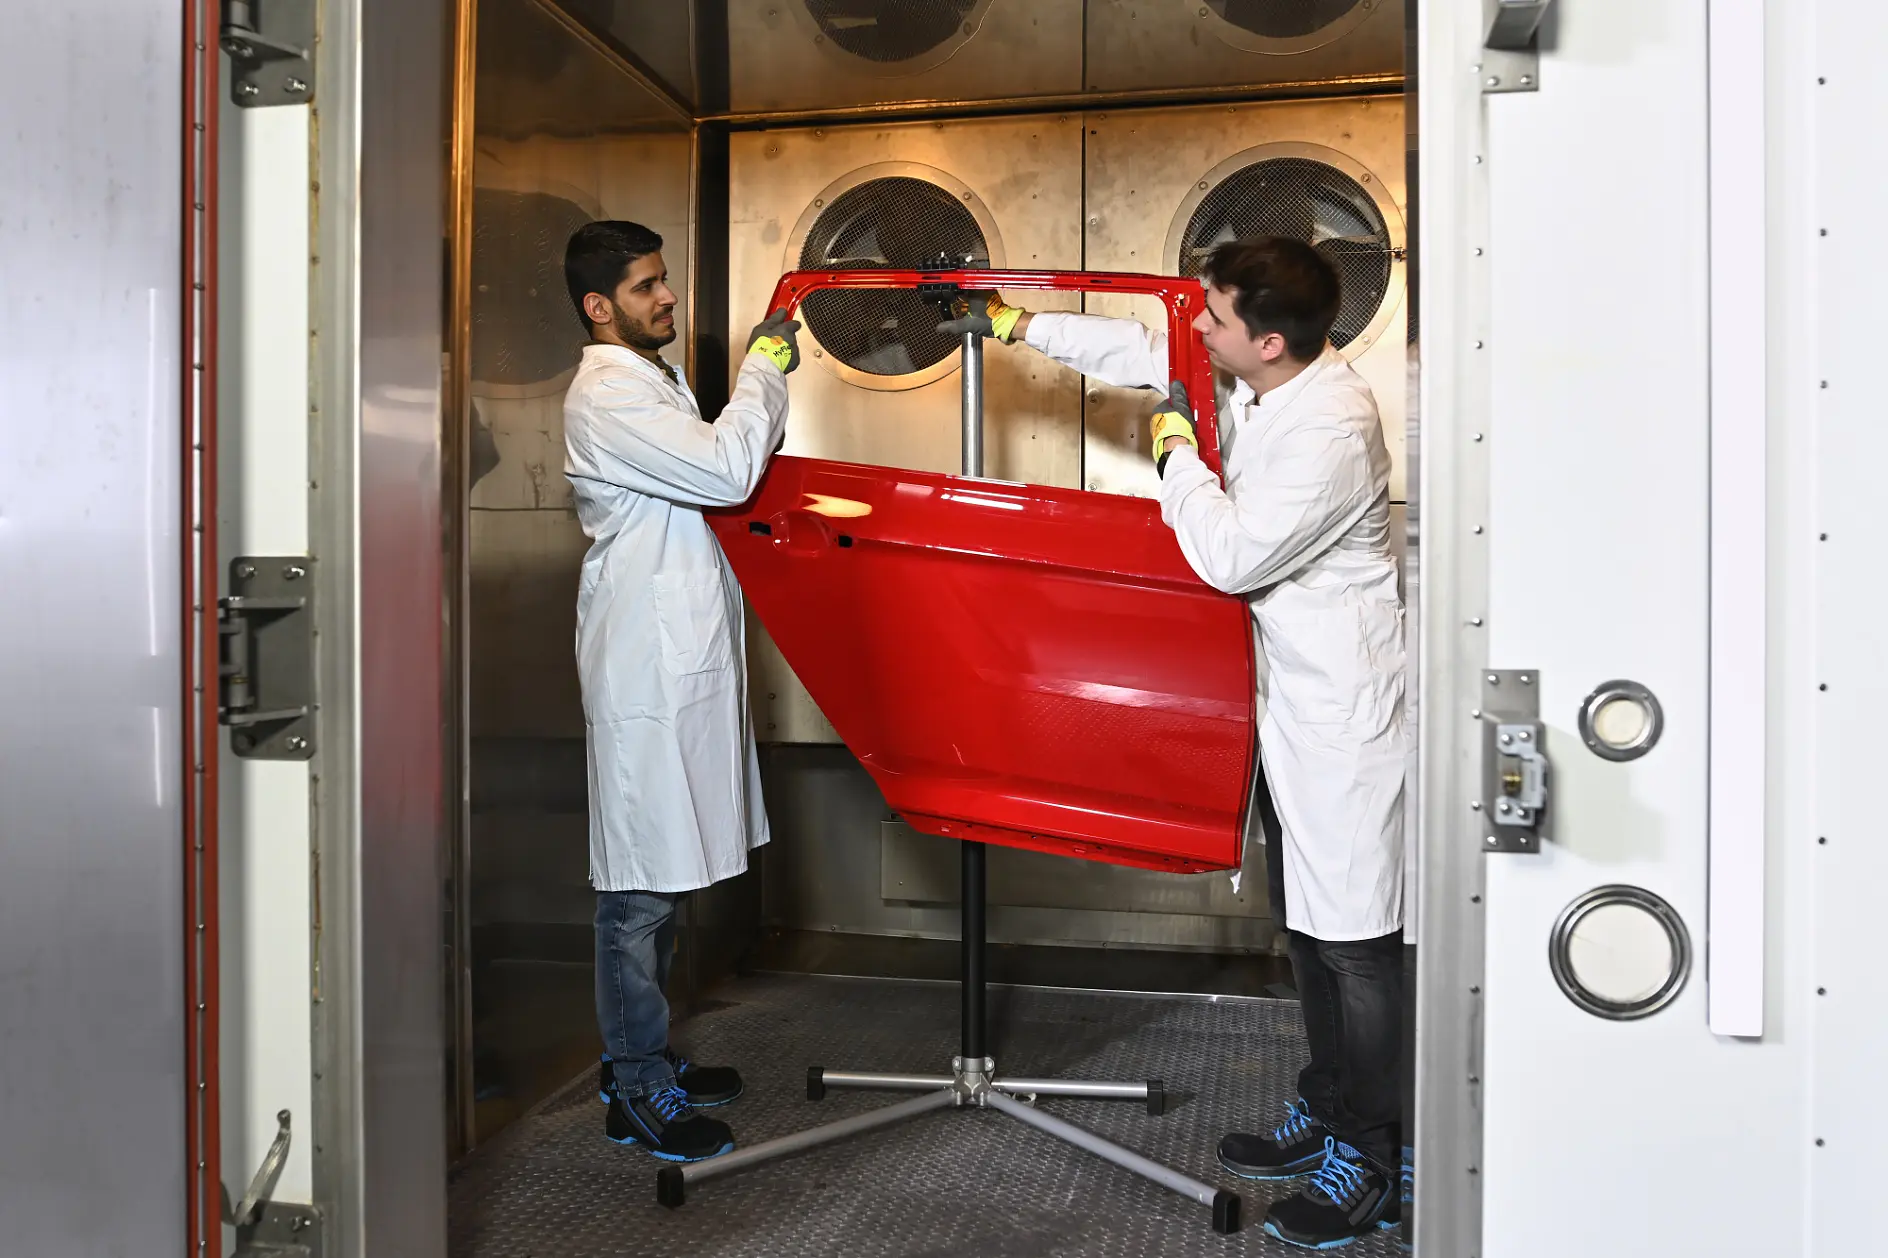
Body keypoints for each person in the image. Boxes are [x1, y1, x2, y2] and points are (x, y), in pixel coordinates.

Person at [940, 238, 1405, 1249]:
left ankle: (1375, 1160)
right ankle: (1331, 1109)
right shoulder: (1276, 380)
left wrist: (1173, 455)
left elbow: (1231, 554)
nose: (1197, 328)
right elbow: (1148, 349)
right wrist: (1022, 326)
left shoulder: (1329, 425)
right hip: (1293, 707)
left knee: (1357, 943)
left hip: (1345, 719)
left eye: (1216, 318)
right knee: (1312, 925)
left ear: (1267, 340)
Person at [561, 220, 801, 1163]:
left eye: (665, 280)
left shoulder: (648, 378)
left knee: (664, 874)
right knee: (637, 891)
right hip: (641, 666)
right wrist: (766, 369)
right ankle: (632, 1087)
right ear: (599, 306)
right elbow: (726, 469)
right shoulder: (606, 395)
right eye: (648, 286)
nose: (667, 298)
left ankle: (650, 1057)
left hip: (677, 659)